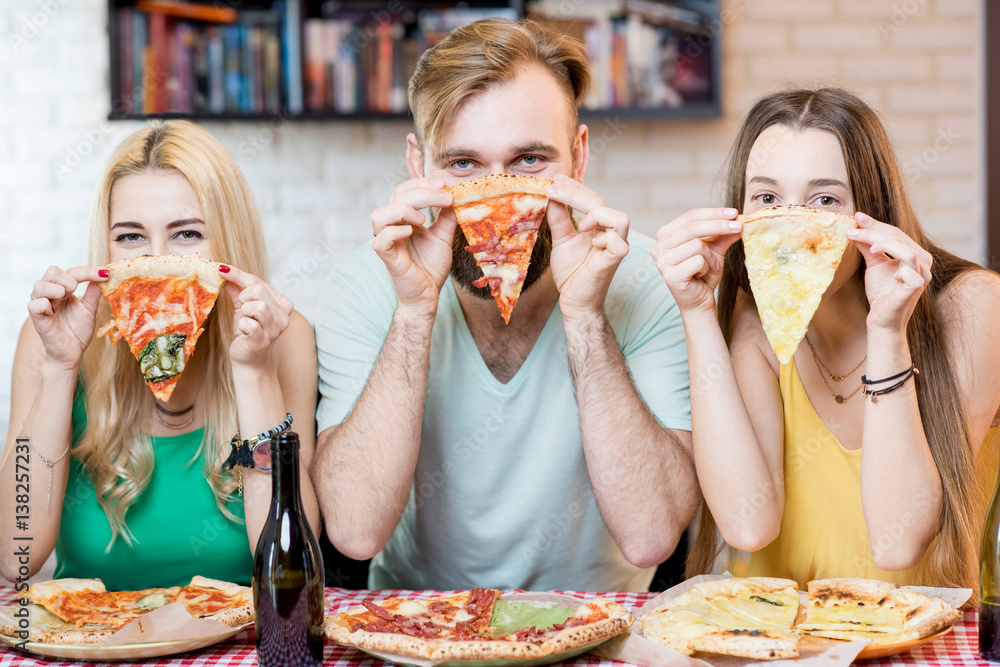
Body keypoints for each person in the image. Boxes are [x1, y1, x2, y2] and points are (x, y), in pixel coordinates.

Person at [312, 19, 699, 592]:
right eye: (463, 165)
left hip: (596, 623)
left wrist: (587, 314)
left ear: (578, 156)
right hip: (417, 625)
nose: (498, 196)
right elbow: (354, 533)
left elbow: (652, 536)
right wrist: (414, 312)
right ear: (419, 167)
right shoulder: (365, 286)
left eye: (528, 162)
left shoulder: (648, 281)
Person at [652, 87, 1000, 593]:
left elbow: (895, 543)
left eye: (824, 200)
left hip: (915, 638)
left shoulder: (975, 307)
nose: (791, 229)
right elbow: (749, 525)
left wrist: (887, 330)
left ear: (872, 213)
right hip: (785, 637)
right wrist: (697, 312)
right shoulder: (756, 321)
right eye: (768, 199)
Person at [0, 121, 321, 589]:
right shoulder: (52, 338)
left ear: (228, 242)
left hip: (233, 645)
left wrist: (253, 372)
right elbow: (15, 555)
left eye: (187, 234)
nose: (157, 264)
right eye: (131, 238)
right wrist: (60, 369)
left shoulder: (285, 337)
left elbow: (291, 570)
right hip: (92, 642)